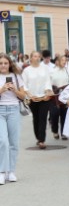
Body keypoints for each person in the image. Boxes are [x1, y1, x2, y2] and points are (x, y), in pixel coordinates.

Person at [0, 53, 26, 185]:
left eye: (5, 63)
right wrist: (2, 90)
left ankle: (11, 171)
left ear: (9, 64)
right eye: (1, 63)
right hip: (0, 110)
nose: (3, 65)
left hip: (14, 110)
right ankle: (2, 171)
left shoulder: (16, 76)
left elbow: (23, 96)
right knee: (3, 141)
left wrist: (14, 90)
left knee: (13, 143)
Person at [22, 51, 53, 149]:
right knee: (36, 118)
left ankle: (41, 140)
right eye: (35, 56)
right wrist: (30, 95)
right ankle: (38, 136)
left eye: (39, 56)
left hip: (44, 97)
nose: (37, 58)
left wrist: (48, 91)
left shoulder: (45, 69)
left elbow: (48, 81)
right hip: (33, 98)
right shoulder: (27, 71)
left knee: (43, 118)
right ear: (31, 58)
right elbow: (24, 85)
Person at [49, 55, 69, 140]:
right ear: (57, 61)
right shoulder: (52, 71)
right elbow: (48, 82)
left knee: (64, 115)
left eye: (65, 60)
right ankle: (55, 130)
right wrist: (52, 88)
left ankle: (63, 133)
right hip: (54, 96)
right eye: (62, 60)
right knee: (54, 114)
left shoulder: (68, 71)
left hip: (64, 95)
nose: (64, 62)